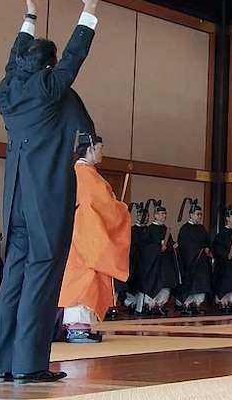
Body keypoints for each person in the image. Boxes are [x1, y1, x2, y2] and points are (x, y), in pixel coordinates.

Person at [0, 0, 100, 384]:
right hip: (46, 200)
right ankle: (30, 365)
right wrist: (89, 10)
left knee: (13, 281)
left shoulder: (7, 92)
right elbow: (75, 56)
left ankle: (5, 365)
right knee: (41, 276)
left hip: (15, 198)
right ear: (49, 68)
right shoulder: (49, 88)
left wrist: (29, 17)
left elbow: (13, 60)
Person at [58, 134, 131, 343]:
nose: (102, 152)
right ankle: (77, 328)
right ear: (89, 149)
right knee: (84, 280)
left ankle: (81, 327)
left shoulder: (79, 173)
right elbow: (102, 206)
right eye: (100, 148)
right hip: (86, 236)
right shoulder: (86, 175)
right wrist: (120, 208)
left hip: (79, 234)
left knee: (84, 279)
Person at [135, 204, 179, 316]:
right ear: (155, 215)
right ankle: (150, 305)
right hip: (152, 265)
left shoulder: (165, 229)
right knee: (152, 283)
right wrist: (158, 247)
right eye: (161, 214)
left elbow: (169, 243)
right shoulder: (150, 229)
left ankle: (160, 305)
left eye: (165, 214)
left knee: (165, 285)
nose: (164, 216)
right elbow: (144, 247)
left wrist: (172, 245)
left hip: (164, 264)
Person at [175, 203, 212, 315]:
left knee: (201, 284)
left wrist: (207, 248)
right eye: (197, 214)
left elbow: (208, 241)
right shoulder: (185, 229)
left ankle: (197, 305)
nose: (199, 216)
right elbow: (185, 246)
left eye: (200, 214)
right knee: (189, 284)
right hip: (190, 262)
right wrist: (197, 250)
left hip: (201, 263)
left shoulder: (201, 229)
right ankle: (186, 304)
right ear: (190, 215)